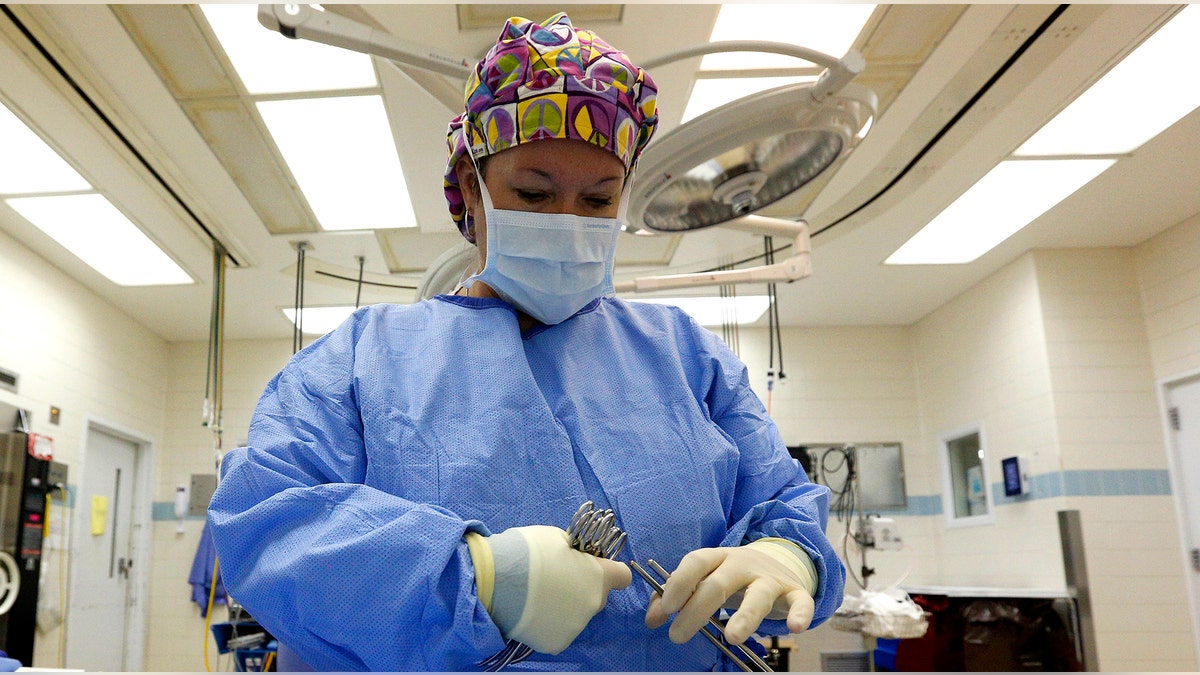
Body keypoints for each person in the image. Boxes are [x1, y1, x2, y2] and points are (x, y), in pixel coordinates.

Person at [208, 12, 844, 671]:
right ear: (469, 194)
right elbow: (269, 525)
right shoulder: (361, 361)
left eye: (597, 201)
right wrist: (475, 572)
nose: (567, 223)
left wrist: (785, 553)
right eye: (534, 193)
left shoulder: (690, 359)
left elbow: (781, 502)